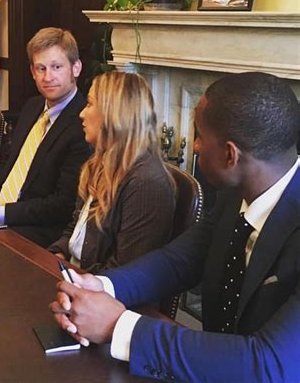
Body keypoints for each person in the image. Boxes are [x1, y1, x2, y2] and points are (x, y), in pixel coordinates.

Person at [50, 72, 300, 382]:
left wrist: (119, 326)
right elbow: (178, 261)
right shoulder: (235, 194)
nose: (194, 147)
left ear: (230, 154)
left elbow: (268, 364)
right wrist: (102, 286)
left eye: (200, 136)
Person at [0, 27, 91, 247]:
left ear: (76, 68)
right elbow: (10, 162)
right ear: (32, 72)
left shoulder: (84, 125)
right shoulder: (32, 107)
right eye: (40, 68)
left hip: (37, 230)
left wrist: (1, 213)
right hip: (0, 213)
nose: (48, 77)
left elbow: (64, 204)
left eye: (57, 67)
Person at [48, 71, 175, 272]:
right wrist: (59, 254)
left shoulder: (146, 183)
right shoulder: (99, 162)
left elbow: (126, 271)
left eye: (89, 104)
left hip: (103, 294)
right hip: (76, 276)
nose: (81, 113)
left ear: (113, 114)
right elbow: (76, 229)